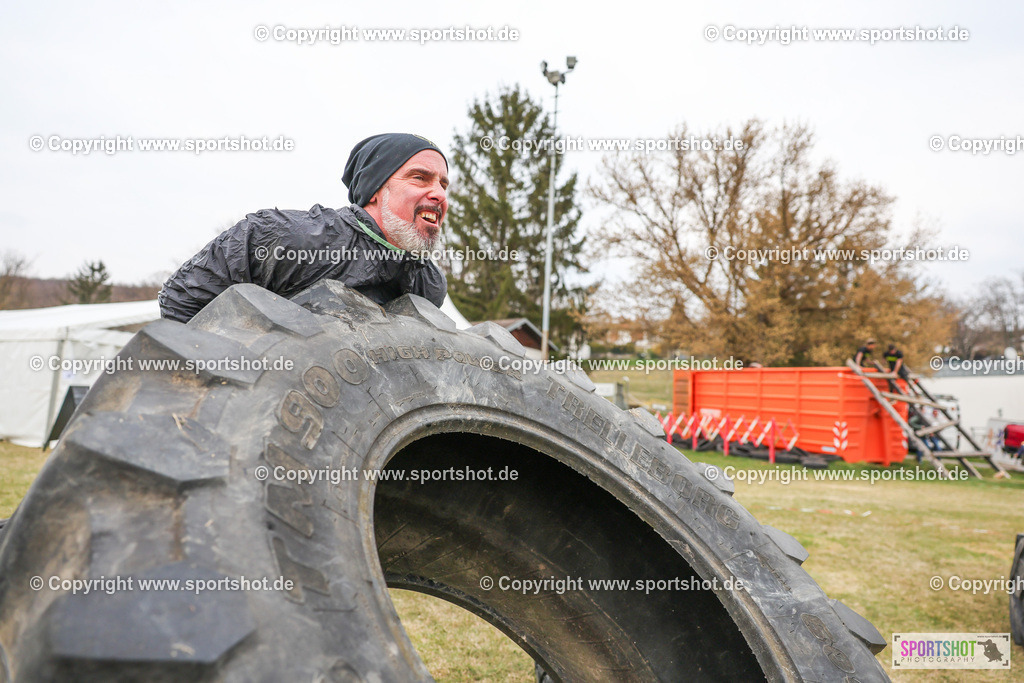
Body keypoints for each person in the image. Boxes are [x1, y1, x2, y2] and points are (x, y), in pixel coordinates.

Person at [158, 133, 449, 323]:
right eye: (420, 178)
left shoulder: (429, 283)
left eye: (443, 184)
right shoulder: (287, 238)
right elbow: (181, 302)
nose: (439, 194)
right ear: (374, 189)